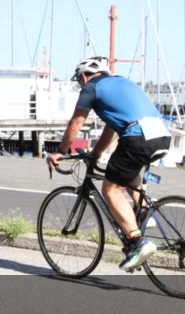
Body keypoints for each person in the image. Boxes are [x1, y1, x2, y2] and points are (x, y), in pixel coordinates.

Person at [47, 56, 172, 272]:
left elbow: (76, 123)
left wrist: (60, 151)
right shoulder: (122, 82)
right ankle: (143, 212)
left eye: (79, 80)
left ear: (84, 76)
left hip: (137, 138)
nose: (80, 84)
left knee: (111, 189)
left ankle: (137, 242)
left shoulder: (91, 87)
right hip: (161, 135)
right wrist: (96, 153)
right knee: (126, 173)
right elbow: (111, 127)